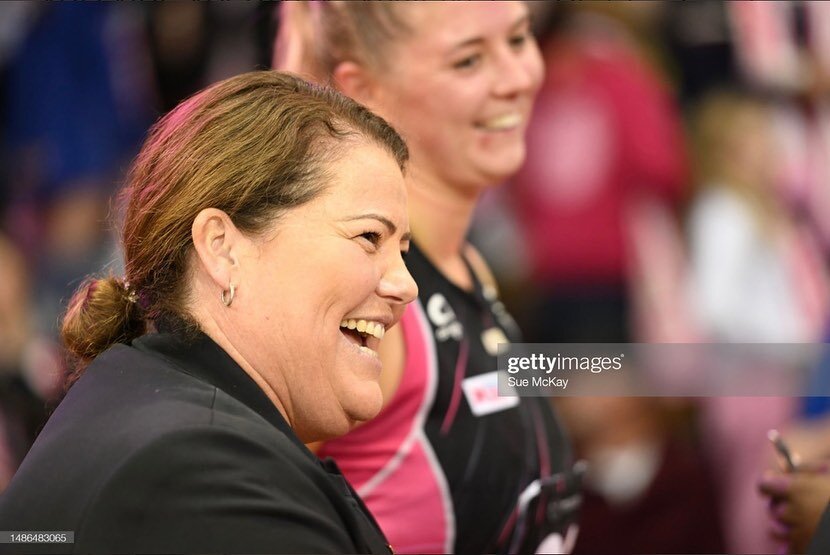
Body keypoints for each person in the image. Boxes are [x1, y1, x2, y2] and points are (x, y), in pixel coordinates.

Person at [0, 70, 418, 554]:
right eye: (369, 238)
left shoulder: (156, 409)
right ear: (222, 249)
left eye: (404, 250)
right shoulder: (206, 476)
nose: (406, 286)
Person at [275, 3, 580, 554]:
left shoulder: (468, 266)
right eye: (468, 61)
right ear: (364, 88)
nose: (517, 78)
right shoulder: (374, 301)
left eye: (517, 39)